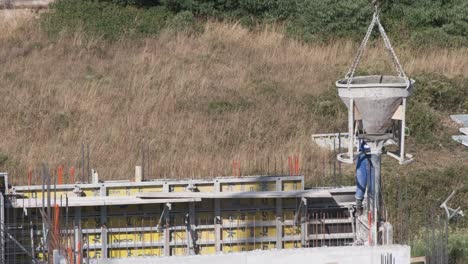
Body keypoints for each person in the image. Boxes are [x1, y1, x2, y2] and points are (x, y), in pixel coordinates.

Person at [355, 140, 374, 216]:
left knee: (373, 186)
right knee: (361, 186)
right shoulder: (361, 136)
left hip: (374, 156)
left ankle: (373, 210)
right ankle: (358, 208)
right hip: (362, 157)